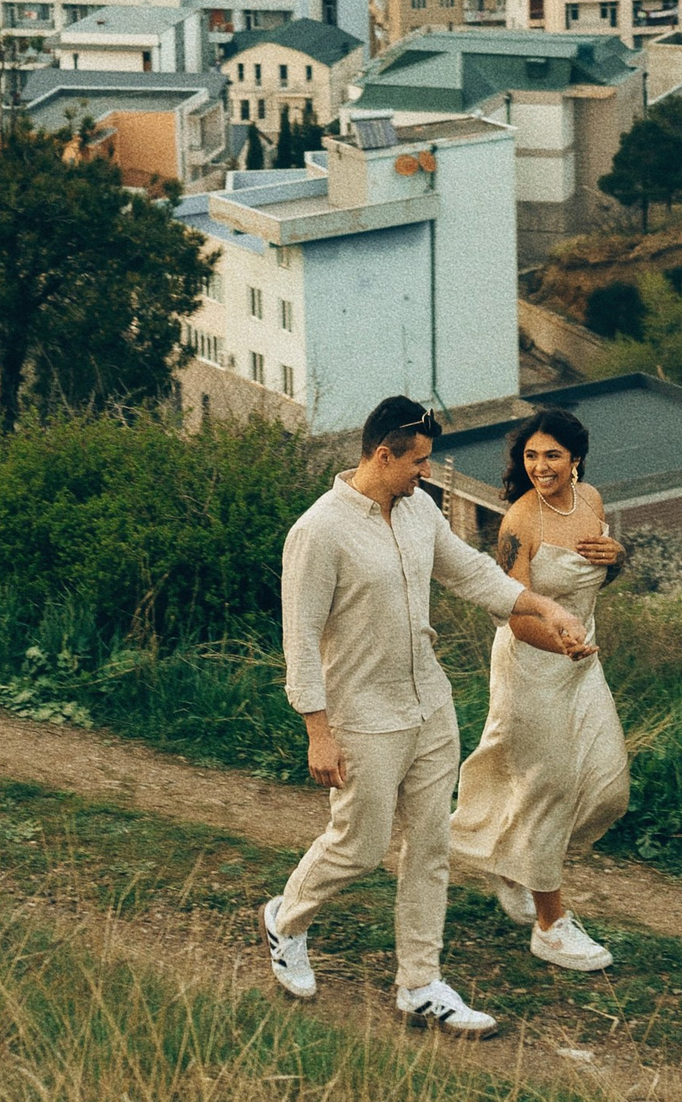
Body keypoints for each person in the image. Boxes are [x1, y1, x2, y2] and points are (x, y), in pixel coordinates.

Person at [262, 394, 589, 1037]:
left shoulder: (418, 513)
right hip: (362, 716)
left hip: (430, 707)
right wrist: (317, 731)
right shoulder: (319, 531)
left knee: (430, 847)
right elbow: (299, 639)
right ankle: (286, 921)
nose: (428, 474)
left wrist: (544, 607)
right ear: (383, 455)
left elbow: (470, 574)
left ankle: (420, 984)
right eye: (420, 461)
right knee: (357, 847)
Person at [448, 406, 631, 973]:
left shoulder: (592, 501)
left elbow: (595, 576)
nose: (540, 466)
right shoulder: (518, 524)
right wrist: (563, 645)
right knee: (550, 786)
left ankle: (514, 858)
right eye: (531, 455)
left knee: (608, 783)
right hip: (532, 665)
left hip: (583, 662)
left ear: (575, 459)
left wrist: (619, 557)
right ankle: (551, 926)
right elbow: (516, 615)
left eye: (552, 455)